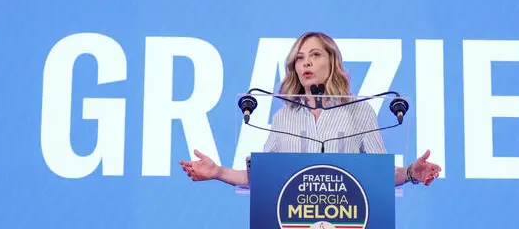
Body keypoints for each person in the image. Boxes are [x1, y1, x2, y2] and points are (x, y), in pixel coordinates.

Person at [179, 32, 442, 188]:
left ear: (332, 61)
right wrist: (218, 172)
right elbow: (260, 177)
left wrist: (410, 173)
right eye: (300, 58)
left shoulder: (359, 112)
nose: (306, 63)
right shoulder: (284, 116)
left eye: (315, 55)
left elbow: (380, 176)